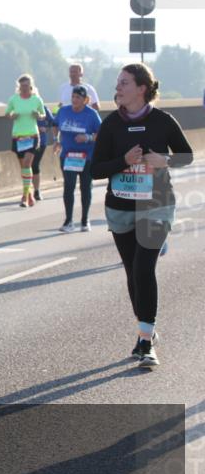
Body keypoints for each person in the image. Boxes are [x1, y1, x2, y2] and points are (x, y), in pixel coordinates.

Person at [91, 63, 192, 369]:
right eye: (118, 83)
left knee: (144, 269)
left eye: (124, 83)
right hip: (120, 207)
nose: (118, 87)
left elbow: (186, 156)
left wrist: (166, 160)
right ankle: (146, 327)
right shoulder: (111, 124)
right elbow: (96, 169)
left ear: (141, 88)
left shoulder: (162, 121)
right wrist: (123, 161)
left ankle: (145, 342)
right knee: (132, 273)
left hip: (156, 205)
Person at [53, 86, 101, 232]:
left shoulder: (91, 114)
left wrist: (87, 137)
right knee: (69, 187)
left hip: (86, 157)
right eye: (73, 97)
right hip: (68, 156)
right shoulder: (64, 111)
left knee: (85, 187)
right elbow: (55, 125)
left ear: (86, 100)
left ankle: (85, 220)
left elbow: (102, 134)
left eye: (78, 98)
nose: (75, 100)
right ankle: (68, 221)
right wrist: (56, 140)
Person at [4, 74, 45, 207]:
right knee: (24, 168)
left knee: (27, 164)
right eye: (22, 86)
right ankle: (29, 193)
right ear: (19, 87)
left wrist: (38, 115)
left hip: (32, 135)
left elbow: (43, 115)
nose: (24, 88)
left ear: (31, 86)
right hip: (18, 136)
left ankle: (24, 197)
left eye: (26, 86)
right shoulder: (14, 99)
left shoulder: (36, 99)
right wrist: (12, 115)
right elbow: (7, 114)